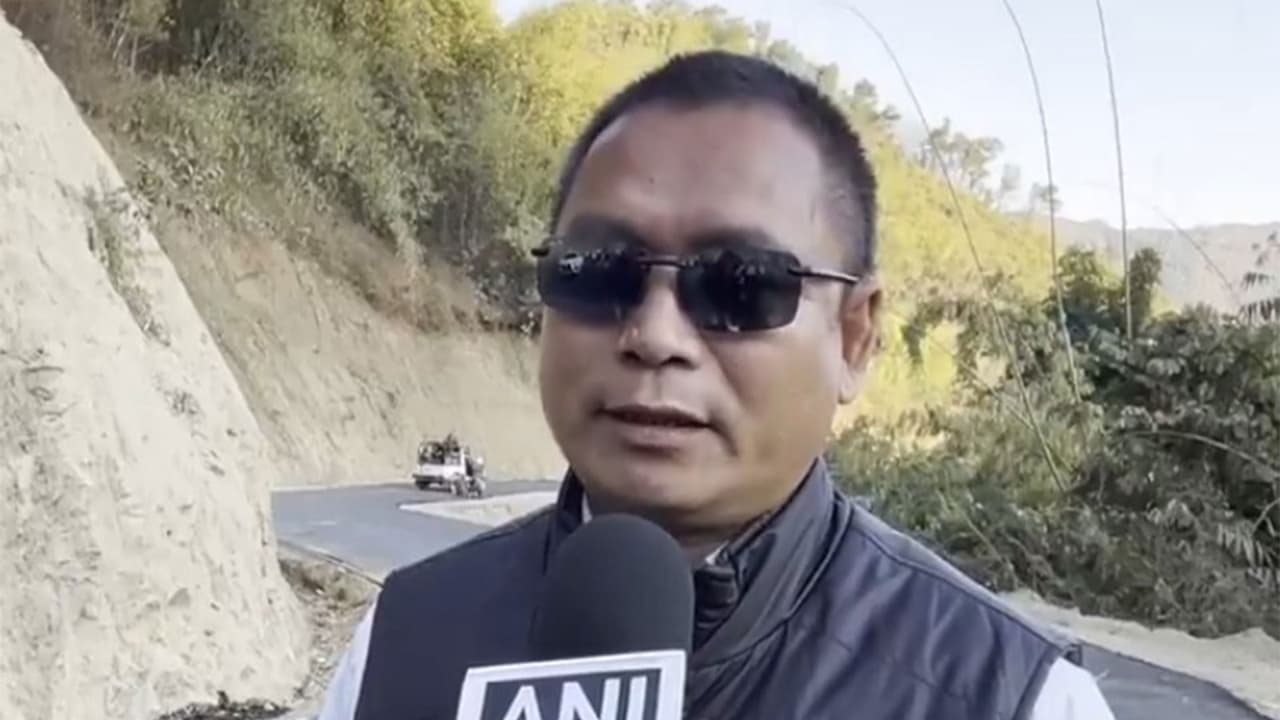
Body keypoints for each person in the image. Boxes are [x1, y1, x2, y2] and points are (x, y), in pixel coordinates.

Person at [317, 50, 1116, 720]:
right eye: (600, 271)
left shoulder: (1010, 697)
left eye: (740, 284)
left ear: (854, 337)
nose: (655, 335)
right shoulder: (403, 642)